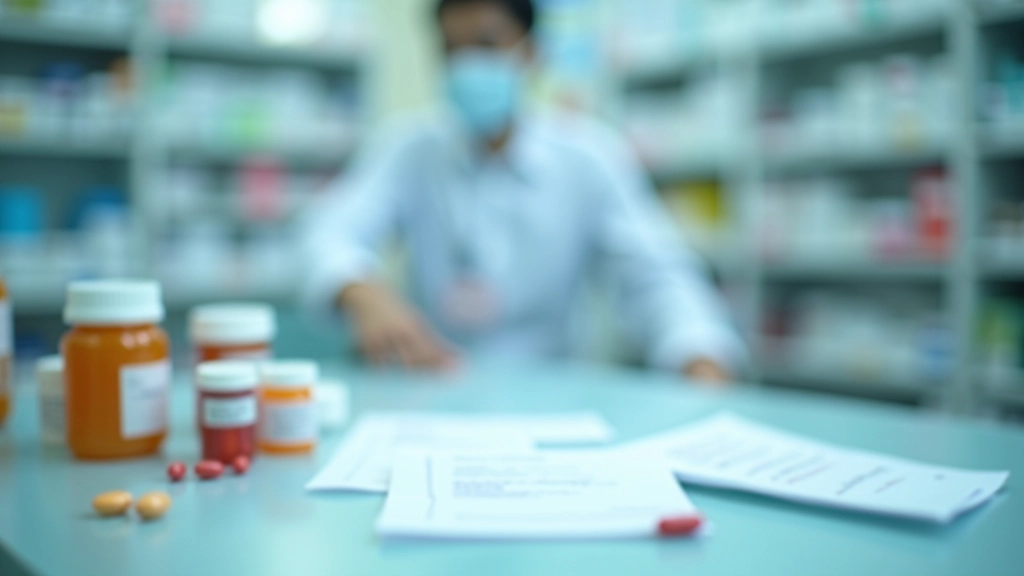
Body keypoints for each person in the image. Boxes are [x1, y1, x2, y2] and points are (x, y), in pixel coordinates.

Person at [299, 0, 744, 383]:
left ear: (531, 53)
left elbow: (655, 275)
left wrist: (699, 355)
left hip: (552, 394)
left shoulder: (588, 156)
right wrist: (362, 292)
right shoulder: (410, 149)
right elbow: (328, 232)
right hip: (428, 385)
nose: (467, 65)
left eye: (487, 45)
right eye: (452, 51)